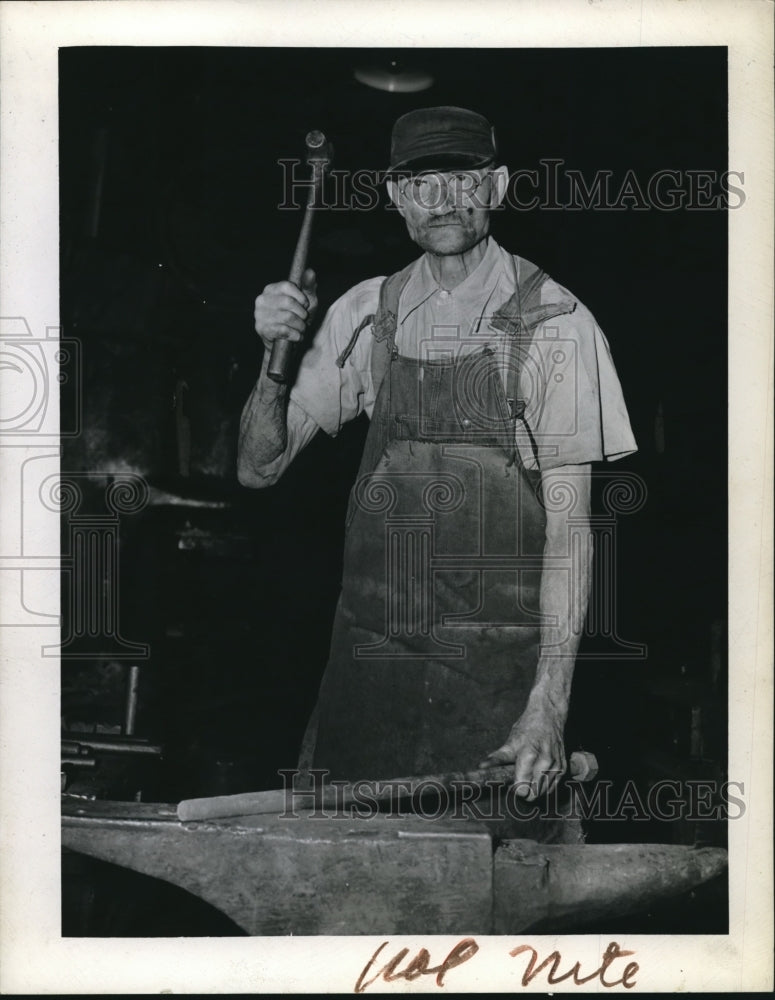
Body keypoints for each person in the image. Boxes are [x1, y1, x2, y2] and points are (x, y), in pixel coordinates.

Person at [238, 106, 637, 801]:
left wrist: (548, 705)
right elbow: (257, 467)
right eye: (421, 184)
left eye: (462, 179)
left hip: (496, 695)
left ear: (497, 187)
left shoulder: (557, 323)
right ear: (397, 199)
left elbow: (572, 536)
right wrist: (273, 360)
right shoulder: (365, 311)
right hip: (367, 680)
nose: (443, 200)